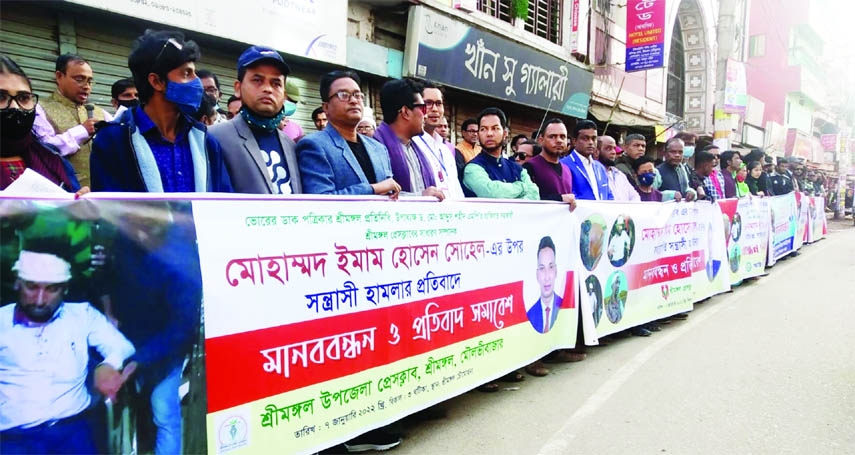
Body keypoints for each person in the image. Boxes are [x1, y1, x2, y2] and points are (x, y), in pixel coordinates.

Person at [0, 248, 136, 454]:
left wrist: (108, 364)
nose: (39, 299)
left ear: (64, 289)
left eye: (51, 289)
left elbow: (122, 346)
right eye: (31, 287)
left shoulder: (82, 315)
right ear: (18, 284)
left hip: (73, 431)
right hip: (14, 437)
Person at [90, 30, 233, 193]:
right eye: (186, 73)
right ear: (157, 81)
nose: (197, 82)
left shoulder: (206, 141)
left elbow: (224, 203)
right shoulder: (113, 142)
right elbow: (111, 212)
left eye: (194, 72)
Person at [208, 45, 302, 195]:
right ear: (238, 88)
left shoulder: (291, 146)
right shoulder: (215, 138)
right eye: (257, 80)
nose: (268, 89)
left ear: (284, 94)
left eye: (276, 83)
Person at [297, 70, 400, 198]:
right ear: (326, 107)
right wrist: (373, 188)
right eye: (343, 95)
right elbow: (321, 200)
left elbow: (392, 193)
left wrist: (422, 195)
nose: (354, 101)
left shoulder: (378, 148)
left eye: (358, 95)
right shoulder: (314, 145)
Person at [0, 55, 80, 191]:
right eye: (1, 97)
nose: (15, 106)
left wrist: (78, 205)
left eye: (23, 98)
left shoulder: (52, 159)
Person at [40, 54, 113, 187]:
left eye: (90, 81)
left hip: (102, 194)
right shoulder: (40, 109)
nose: (86, 86)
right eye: (79, 79)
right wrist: (82, 131)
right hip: (65, 193)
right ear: (59, 76)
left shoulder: (101, 113)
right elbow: (43, 150)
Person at [372, 78, 444, 200]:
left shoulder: (417, 147)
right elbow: (379, 196)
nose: (425, 115)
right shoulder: (375, 149)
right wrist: (420, 198)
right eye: (423, 108)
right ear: (405, 112)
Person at [462, 107, 539, 200]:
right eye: (483, 129)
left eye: (495, 128)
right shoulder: (472, 168)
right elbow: (491, 193)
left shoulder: (517, 168)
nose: (489, 133)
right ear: (478, 134)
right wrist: (523, 187)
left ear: (505, 133)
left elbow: (534, 194)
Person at [416, 81, 464, 199]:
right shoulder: (412, 145)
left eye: (438, 103)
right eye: (428, 103)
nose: (435, 109)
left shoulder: (445, 150)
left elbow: (456, 189)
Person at [522, 118, 574, 205]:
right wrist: (559, 198)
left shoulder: (567, 169)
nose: (559, 141)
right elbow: (527, 201)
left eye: (562, 137)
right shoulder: (529, 167)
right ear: (541, 140)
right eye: (552, 136)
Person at [560, 120, 613, 200]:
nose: (591, 142)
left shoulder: (600, 167)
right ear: (574, 141)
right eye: (585, 138)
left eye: (593, 138)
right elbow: (569, 196)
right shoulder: (564, 165)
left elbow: (609, 195)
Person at [527, 236, 562, 334]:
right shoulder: (530, 314)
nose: (547, 277)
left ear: (556, 271)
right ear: (537, 275)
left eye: (550, 267)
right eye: (542, 268)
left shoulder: (564, 307)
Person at [598, 135, 639, 201]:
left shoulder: (619, 174)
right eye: (608, 149)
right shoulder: (593, 173)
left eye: (614, 148)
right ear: (597, 151)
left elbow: (634, 196)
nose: (613, 152)